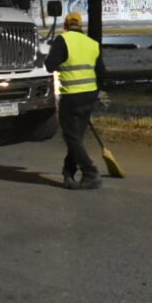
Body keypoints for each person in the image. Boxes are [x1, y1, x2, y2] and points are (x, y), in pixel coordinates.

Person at [43, 12, 108, 190]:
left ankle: (90, 173)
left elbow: (50, 65)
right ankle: (68, 173)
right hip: (90, 96)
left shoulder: (62, 40)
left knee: (71, 137)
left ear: (65, 25)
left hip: (72, 96)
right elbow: (101, 73)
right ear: (80, 26)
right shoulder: (92, 43)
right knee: (76, 137)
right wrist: (96, 93)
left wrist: (50, 55)